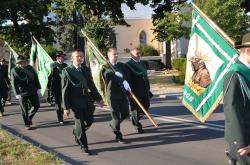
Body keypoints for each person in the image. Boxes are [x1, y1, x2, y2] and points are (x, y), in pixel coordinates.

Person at [62, 49, 104, 155]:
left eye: (81, 56)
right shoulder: (67, 71)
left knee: (89, 121)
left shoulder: (85, 69)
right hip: (75, 102)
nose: (80, 58)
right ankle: (84, 145)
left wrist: (98, 98)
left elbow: (91, 85)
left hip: (87, 100)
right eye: (77, 56)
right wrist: (66, 107)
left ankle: (77, 132)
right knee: (80, 124)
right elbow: (65, 90)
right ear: (72, 58)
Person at [223, 33, 250, 165]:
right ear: (249, 51)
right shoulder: (235, 75)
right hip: (245, 141)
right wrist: (242, 142)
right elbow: (232, 110)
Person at [102, 48, 131, 143]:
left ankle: (113, 124)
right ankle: (118, 135)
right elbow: (109, 75)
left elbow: (125, 75)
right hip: (112, 94)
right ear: (109, 56)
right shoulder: (106, 67)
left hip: (122, 93)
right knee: (116, 117)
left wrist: (126, 83)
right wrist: (121, 79)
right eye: (114, 54)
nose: (116, 56)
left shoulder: (119, 66)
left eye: (117, 54)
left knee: (126, 113)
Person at [126, 48, 153, 133]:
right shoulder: (128, 65)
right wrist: (129, 92)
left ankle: (134, 118)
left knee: (146, 106)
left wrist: (148, 88)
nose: (139, 55)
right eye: (137, 54)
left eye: (139, 53)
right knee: (135, 109)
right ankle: (137, 126)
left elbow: (145, 76)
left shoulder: (142, 63)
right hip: (134, 90)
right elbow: (127, 79)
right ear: (132, 55)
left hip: (144, 89)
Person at [11, 56, 41, 130]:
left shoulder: (30, 68)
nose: (23, 63)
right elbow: (13, 82)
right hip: (22, 92)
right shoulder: (15, 70)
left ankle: (29, 118)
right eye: (21, 62)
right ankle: (27, 124)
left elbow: (35, 77)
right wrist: (16, 93)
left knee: (36, 106)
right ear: (18, 63)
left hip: (32, 90)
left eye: (24, 61)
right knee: (24, 109)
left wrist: (38, 87)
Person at [50, 51, 68, 124]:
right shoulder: (53, 65)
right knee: (58, 103)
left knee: (65, 102)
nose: (63, 58)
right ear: (57, 57)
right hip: (56, 86)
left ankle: (62, 110)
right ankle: (60, 118)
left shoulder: (65, 65)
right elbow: (54, 73)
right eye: (61, 57)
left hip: (64, 86)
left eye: (63, 57)